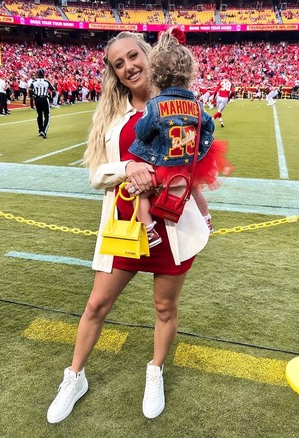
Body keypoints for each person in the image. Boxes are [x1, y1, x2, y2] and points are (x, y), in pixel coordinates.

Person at [46, 31, 210, 424]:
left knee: (165, 307)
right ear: (114, 73)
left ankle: (155, 372)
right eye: (118, 64)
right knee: (96, 305)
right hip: (125, 225)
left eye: (133, 56)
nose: (128, 66)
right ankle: (74, 377)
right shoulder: (111, 117)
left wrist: (203, 210)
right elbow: (95, 176)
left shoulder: (178, 104)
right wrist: (128, 167)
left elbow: (194, 165)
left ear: (148, 54)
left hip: (171, 224)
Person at [128, 27, 230, 245]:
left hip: (163, 169)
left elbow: (142, 132)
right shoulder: (196, 104)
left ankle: (148, 229)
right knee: (196, 190)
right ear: (188, 71)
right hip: (188, 166)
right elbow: (209, 126)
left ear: (155, 73)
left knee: (139, 192)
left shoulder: (155, 105)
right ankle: (207, 219)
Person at [31, 69, 53, 138]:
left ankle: (40, 130)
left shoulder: (34, 82)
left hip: (37, 99)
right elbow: (53, 89)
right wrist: (51, 98)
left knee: (39, 115)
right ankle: (44, 131)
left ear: (37, 74)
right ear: (43, 74)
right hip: (44, 98)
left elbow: (29, 90)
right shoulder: (46, 81)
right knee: (47, 115)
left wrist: (33, 96)